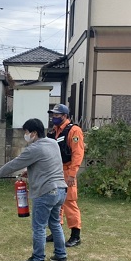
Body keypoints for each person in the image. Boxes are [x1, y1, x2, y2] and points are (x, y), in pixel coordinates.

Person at [0, 118, 68, 261]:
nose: (25, 135)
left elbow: (14, 164)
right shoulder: (53, 143)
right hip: (61, 190)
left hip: (46, 192)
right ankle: (61, 256)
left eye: (26, 132)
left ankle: (38, 259)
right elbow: (47, 163)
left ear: (34, 133)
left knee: (39, 227)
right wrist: (28, 171)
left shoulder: (34, 149)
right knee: (55, 223)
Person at [46, 104, 85, 247]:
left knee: (69, 202)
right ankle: (56, 232)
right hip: (55, 171)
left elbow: (78, 154)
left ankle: (76, 235)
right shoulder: (53, 131)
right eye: (53, 115)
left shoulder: (74, 130)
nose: (54, 117)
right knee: (55, 202)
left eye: (57, 115)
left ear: (65, 116)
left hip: (68, 170)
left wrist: (72, 175)